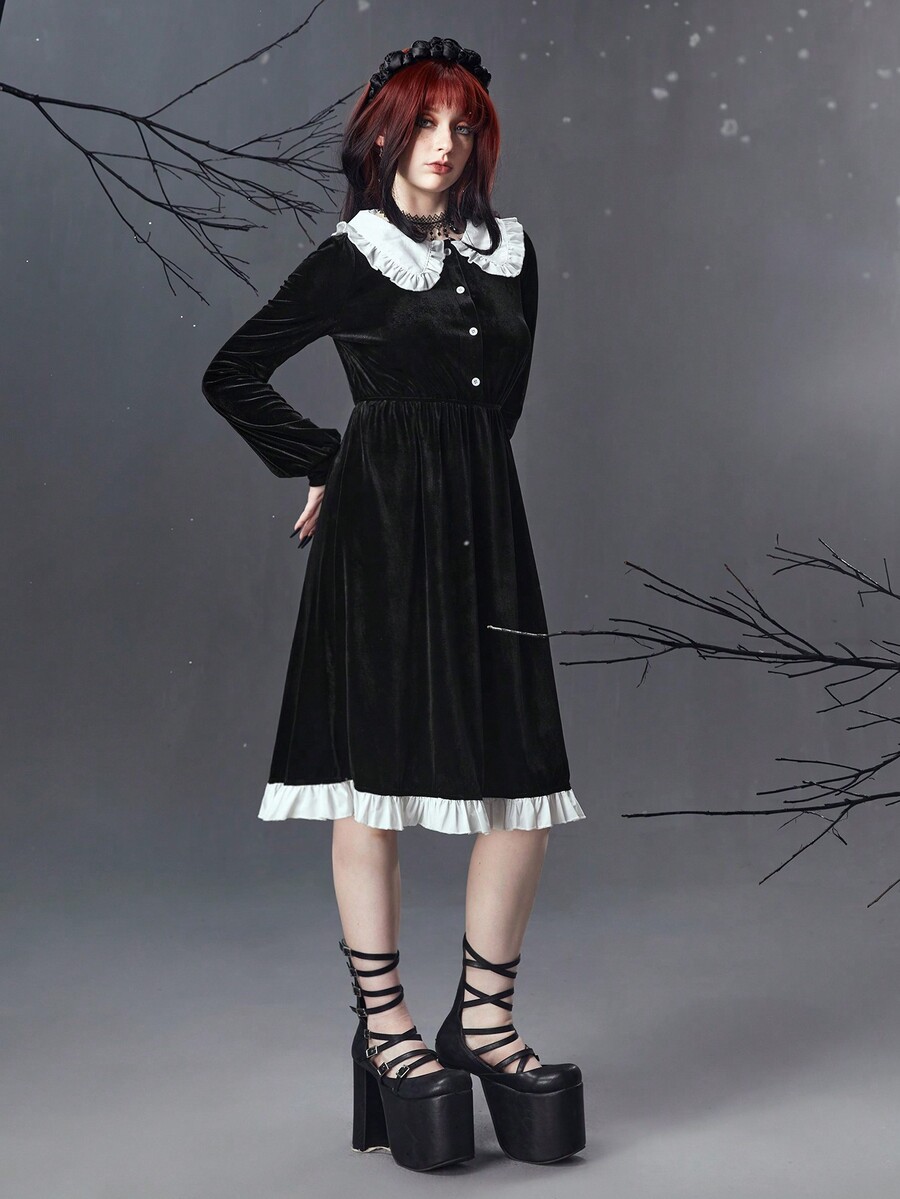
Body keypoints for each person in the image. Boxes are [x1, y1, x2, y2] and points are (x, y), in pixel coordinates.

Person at [201, 36, 586, 1171]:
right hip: (377, 534)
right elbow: (233, 372)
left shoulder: (513, 253)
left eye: (463, 126)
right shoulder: (352, 257)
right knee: (370, 783)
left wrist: (459, 487)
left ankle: (485, 1018)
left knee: (522, 782)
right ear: (387, 133)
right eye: (425, 123)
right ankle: (386, 1028)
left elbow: (501, 407)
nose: (444, 144)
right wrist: (327, 458)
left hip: (485, 528)